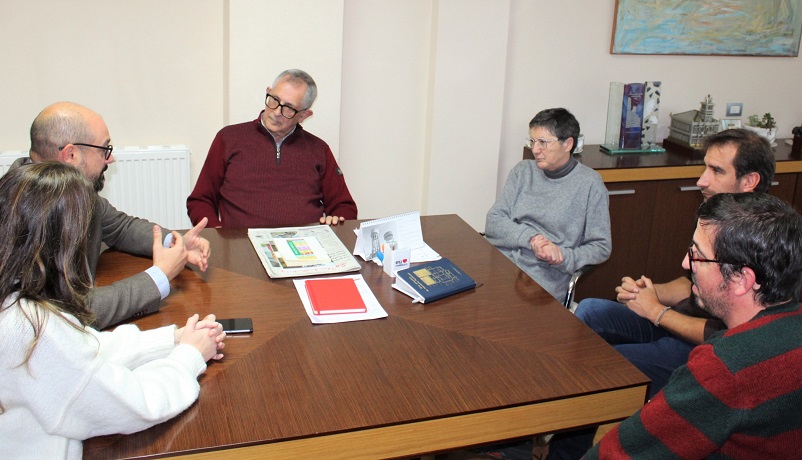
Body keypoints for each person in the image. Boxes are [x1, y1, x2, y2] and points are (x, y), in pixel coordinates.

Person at [547, 128, 776, 459]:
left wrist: (656, 312)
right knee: (592, 311)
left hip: (704, 347)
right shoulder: (717, 217)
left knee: (600, 370)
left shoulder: (765, 240)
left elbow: (734, 332)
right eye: (705, 168)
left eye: (716, 171)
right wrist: (650, 291)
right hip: (677, 319)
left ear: (749, 181)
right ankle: (558, 427)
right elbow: (691, 282)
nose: (701, 180)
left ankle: (563, 446)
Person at [0, 162, 226, 460]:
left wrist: (173, 339)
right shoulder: (34, 331)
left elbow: (83, 348)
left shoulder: (19, 303)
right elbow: (136, 405)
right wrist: (190, 356)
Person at [586, 192, 802, 458]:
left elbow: (619, 453)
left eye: (697, 254)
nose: (686, 263)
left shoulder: (725, 365)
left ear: (741, 279)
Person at [10, 102, 212, 329]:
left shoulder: (69, 190)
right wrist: (159, 275)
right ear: (71, 154)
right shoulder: (25, 216)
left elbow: (121, 227)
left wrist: (175, 243)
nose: (110, 159)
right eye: (104, 149)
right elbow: (72, 314)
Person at [187, 68, 357, 228]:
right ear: (268, 92)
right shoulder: (229, 138)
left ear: (304, 115)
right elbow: (200, 201)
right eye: (274, 100)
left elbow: (344, 207)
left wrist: (335, 221)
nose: (276, 112)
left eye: (289, 108)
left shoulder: (319, 150)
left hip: (303, 249)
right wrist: (217, 234)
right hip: (241, 247)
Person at [485, 108, 611, 303]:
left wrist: (563, 256)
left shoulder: (590, 184)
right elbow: (493, 222)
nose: (535, 149)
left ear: (567, 144)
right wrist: (532, 239)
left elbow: (601, 247)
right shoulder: (522, 171)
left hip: (543, 277)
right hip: (501, 262)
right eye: (533, 141)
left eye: (543, 142)